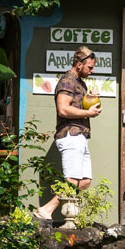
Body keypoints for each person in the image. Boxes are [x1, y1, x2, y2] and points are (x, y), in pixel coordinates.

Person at [35, 46, 102, 221]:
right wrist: (89, 113)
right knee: (71, 180)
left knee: (84, 181)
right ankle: (47, 210)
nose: (92, 71)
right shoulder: (67, 81)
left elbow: (79, 105)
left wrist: (90, 98)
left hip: (81, 136)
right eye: (90, 67)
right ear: (79, 64)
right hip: (70, 136)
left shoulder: (80, 82)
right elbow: (63, 109)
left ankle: (70, 217)